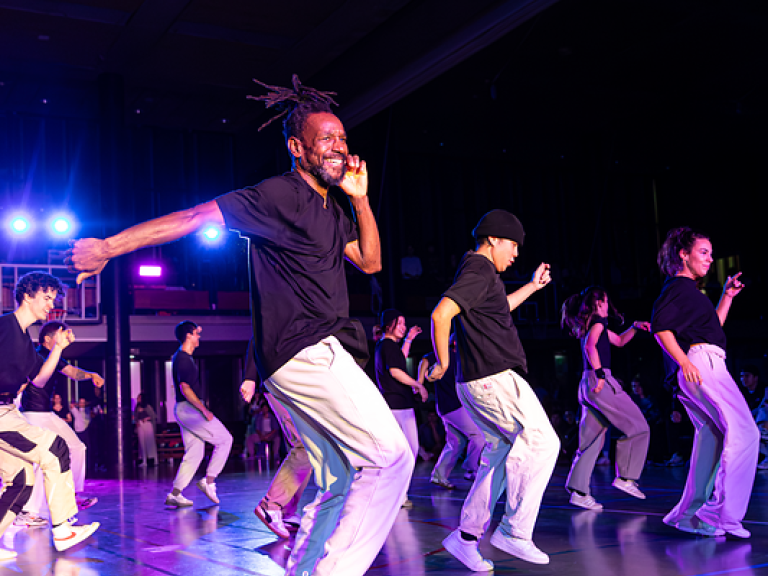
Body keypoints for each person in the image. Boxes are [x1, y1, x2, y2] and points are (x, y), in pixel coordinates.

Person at [67, 75, 412, 576]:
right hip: (305, 349)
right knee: (390, 457)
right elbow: (192, 217)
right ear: (297, 148)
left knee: (339, 478)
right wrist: (108, 247)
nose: (339, 147)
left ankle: (307, 567)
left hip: (305, 356)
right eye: (325, 140)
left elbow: (371, 261)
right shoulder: (279, 195)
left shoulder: (333, 209)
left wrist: (360, 199)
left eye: (342, 138)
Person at [429, 210, 559, 569]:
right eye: (513, 245)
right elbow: (441, 314)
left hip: (479, 381)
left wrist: (532, 287)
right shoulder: (480, 270)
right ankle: (514, 531)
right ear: (493, 239)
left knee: (500, 455)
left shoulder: (480, 274)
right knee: (543, 442)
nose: (516, 254)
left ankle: (466, 538)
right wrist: (442, 362)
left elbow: (501, 308)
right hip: (493, 377)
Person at [652, 227, 759, 538]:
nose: (710, 259)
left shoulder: (689, 292)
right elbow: (660, 328)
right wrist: (684, 362)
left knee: (711, 437)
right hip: (702, 365)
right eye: (703, 252)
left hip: (701, 363)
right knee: (746, 432)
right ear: (683, 254)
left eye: (711, 254)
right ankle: (719, 512)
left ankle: (688, 516)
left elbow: (712, 328)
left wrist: (726, 296)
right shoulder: (679, 288)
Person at [0, 272, 99, 559]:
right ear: (27, 296)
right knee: (55, 450)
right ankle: (63, 528)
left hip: (8, 410)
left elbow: (40, 379)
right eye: (46, 298)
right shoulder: (4, 326)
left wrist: (58, 348)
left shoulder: (26, 341)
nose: (50, 305)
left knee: (22, 480)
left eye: (52, 299)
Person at [560, 287, 651, 510]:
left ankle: (579, 491)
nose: (608, 306)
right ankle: (626, 477)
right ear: (598, 303)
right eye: (606, 301)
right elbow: (590, 346)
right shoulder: (598, 322)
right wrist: (600, 374)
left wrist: (635, 327)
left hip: (587, 384)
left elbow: (619, 341)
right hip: (600, 381)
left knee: (591, 440)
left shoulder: (589, 325)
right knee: (639, 427)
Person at [16, 320, 103, 527]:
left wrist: (91, 375)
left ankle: (72, 495)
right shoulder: (37, 356)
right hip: (32, 414)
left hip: (46, 414)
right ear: (48, 339)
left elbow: (72, 372)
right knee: (40, 461)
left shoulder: (54, 356)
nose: (65, 338)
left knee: (77, 447)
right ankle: (28, 512)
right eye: (60, 334)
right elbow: (32, 382)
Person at [166, 321, 233, 507]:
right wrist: (204, 410)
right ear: (188, 336)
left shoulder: (181, 357)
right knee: (225, 440)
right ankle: (209, 481)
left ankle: (175, 494)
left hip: (183, 409)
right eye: (196, 333)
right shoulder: (183, 359)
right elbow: (185, 388)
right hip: (190, 409)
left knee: (195, 453)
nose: (199, 337)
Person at [374, 309, 427, 508]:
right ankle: (397, 493)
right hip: (398, 404)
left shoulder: (385, 345)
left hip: (395, 404)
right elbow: (396, 371)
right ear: (389, 325)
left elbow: (399, 361)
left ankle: (396, 493)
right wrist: (418, 384)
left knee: (404, 451)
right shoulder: (387, 345)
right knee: (408, 451)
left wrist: (409, 340)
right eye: (400, 323)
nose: (404, 327)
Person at [417, 335, 484, 489]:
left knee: (456, 442)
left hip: (447, 407)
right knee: (478, 435)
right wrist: (419, 382)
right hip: (454, 406)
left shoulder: (457, 358)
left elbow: (425, 360)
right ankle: (471, 469)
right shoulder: (447, 355)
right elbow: (425, 360)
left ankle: (439, 476)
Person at [134, 393, 158, 467]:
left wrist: (146, 418)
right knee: (141, 443)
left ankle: (152, 459)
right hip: (140, 425)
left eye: (139, 397)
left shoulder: (147, 407)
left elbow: (153, 416)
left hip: (147, 425)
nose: (137, 399)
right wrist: (137, 422)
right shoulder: (137, 408)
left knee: (149, 442)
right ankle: (143, 460)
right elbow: (135, 417)